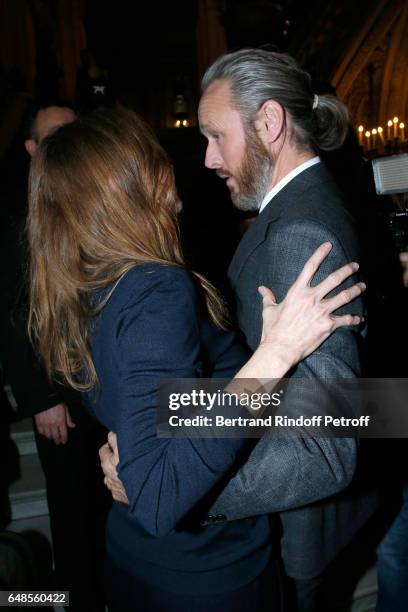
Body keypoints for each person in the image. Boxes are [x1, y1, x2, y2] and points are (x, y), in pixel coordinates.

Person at [26, 107, 365, 612]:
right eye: (154, 156)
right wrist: (273, 357)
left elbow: (173, 411)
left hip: (141, 562)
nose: (183, 163)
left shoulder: (83, 283)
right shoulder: (154, 288)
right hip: (207, 577)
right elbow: (160, 493)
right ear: (132, 181)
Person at [102, 50, 376, 611]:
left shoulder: (302, 231)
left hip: (288, 531)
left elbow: (327, 441)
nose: (206, 159)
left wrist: (175, 487)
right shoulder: (291, 208)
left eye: (215, 136)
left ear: (269, 123)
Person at [0, 103, 110, 611]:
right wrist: (41, 396)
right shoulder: (17, 216)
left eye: (76, 131)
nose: (70, 141)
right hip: (59, 392)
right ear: (31, 150)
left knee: (111, 503)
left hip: (109, 384)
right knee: (73, 514)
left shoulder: (98, 198)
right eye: (55, 135)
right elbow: (10, 316)